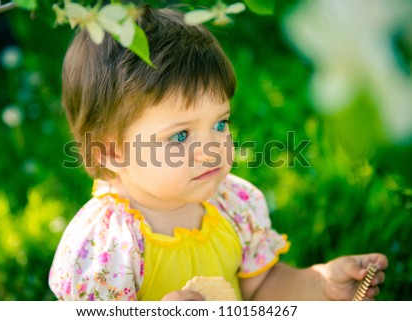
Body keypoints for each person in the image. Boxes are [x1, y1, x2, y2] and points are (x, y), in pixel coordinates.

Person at [48, 6, 388, 301]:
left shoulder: (232, 204)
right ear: (109, 151)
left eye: (221, 124)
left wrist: (320, 285)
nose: (212, 150)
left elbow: (262, 289)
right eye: (180, 135)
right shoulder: (105, 248)